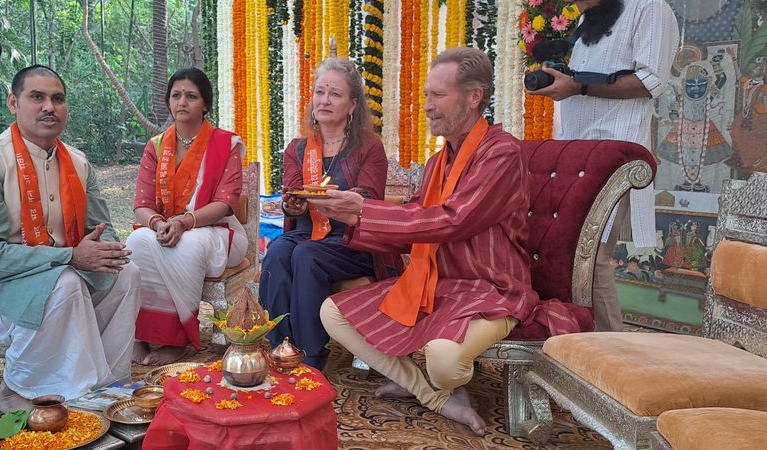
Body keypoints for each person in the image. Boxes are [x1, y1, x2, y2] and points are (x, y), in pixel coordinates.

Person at [310, 48, 589, 435]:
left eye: (437, 96)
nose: (427, 106)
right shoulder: (440, 161)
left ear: (474, 97)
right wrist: (352, 215)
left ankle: (428, 384)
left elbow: (452, 220)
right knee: (332, 313)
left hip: (492, 289)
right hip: (440, 285)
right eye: (427, 95)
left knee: (443, 360)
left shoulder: (501, 152)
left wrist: (365, 212)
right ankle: (436, 395)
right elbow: (420, 220)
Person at [0, 66, 141, 412]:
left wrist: (104, 249)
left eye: (58, 99)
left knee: (126, 274)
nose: (49, 107)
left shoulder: (79, 164)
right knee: (64, 282)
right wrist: (69, 257)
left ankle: (107, 383)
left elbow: (101, 227)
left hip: (56, 280)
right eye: (37, 97)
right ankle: (25, 389)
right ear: (13, 103)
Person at [530, 0, 679, 331]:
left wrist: (579, 85)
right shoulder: (586, 20)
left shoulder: (649, 8)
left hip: (614, 158)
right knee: (570, 261)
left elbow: (651, 82)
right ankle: (577, 354)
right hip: (571, 156)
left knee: (592, 260)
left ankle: (612, 359)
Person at [259, 58, 388, 370]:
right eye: (319, 92)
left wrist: (343, 200)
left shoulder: (369, 147)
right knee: (277, 252)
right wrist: (294, 204)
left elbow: (369, 198)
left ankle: (311, 356)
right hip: (306, 233)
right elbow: (293, 196)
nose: (324, 100)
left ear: (352, 105)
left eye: (335, 94)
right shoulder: (297, 148)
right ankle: (283, 348)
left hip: (349, 240)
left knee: (306, 255)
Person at [128, 68, 248, 365]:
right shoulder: (156, 146)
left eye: (191, 96)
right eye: (176, 95)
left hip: (219, 231)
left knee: (188, 244)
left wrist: (184, 222)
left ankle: (175, 337)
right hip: (167, 226)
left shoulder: (226, 144)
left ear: (205, 104)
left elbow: (225, 202)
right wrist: (158, 223)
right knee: (137, 240)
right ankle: (143, 333)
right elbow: (141, 204)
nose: (182, 102)